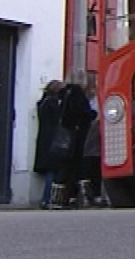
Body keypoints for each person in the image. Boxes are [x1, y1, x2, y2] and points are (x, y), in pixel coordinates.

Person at [50, 82, 97, 209]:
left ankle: (58, 199)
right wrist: (92, 114)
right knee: (81, 168)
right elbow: (83, 112)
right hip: (77, 138)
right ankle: (84, 198)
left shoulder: (63, 96)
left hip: (66, 139)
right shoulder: (76, 93)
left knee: (64, 169)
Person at [34, 80, 65, 209]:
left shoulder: (43, 103)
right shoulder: (53, 104)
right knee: (53, 172)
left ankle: (47, 200)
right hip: (53, 140)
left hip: (45, 140)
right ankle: (48, 199)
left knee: (50, 171)